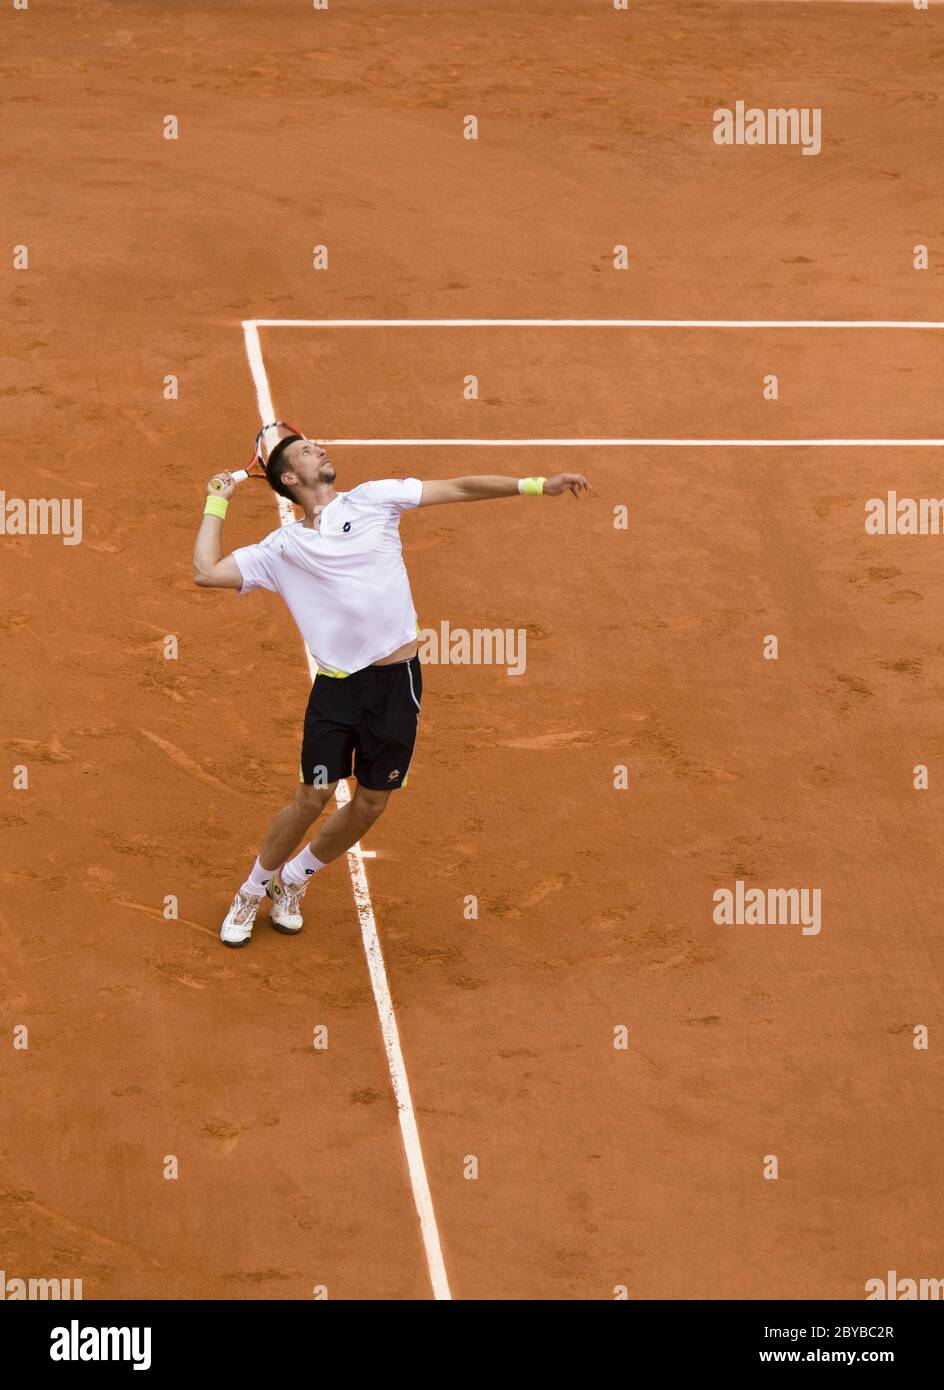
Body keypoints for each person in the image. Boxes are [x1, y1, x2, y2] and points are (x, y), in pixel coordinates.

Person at [193, 433, 591, 946]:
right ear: (289, 479)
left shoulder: (375, 499)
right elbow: (205, 572)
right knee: (313, 795)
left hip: (397, 684)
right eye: (308, 451)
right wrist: (216, 499)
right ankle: (252, 890)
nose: (321, 449)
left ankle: (294, 881)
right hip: (337, 692)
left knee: (371, 803)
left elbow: (462, 488)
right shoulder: (282, 549)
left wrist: (536, 485)